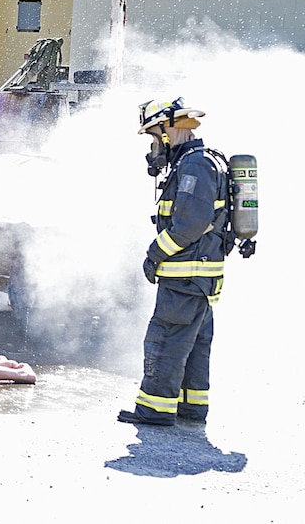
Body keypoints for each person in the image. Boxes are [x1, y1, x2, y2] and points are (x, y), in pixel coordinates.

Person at [119, 98, 229, 427]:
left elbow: (191, 224)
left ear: (169, 130)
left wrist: (155, 254)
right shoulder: (203, 162)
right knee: (193, 343)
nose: (153, 146)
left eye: (154, 137)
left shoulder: (195, 165)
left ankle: (154, 408)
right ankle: (190, 407)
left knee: (165, 338)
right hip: (198, 279)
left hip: (185, 277)